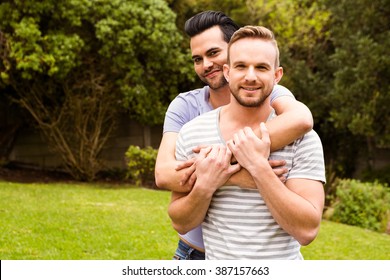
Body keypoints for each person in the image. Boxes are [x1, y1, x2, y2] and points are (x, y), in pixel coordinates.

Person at [155, 11, 314, 260]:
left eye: (213, 53)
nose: (206, 64)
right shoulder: (186, 109)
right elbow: (164, 174)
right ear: (231, 69)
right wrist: (231, 175)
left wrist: (237, 160)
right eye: (198, 59)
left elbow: (302, 120)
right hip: (194, 249)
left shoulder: (269, 91)